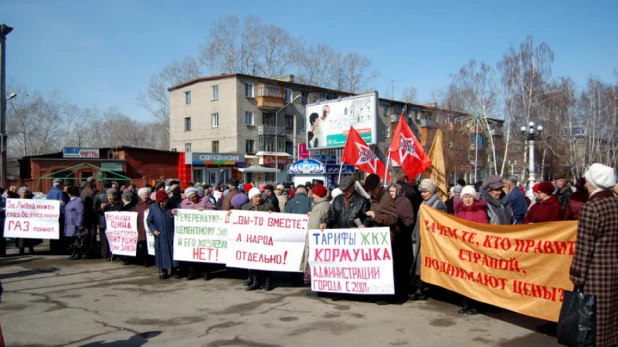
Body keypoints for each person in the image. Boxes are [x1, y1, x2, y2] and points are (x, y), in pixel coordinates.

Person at [569, 163, 618, 347]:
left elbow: (584, 247)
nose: (585, 184)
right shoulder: (615, 202)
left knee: (593, 319)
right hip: (613, 270)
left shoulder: (592, 207)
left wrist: (576, 275)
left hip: (596, 274)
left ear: (593, 182)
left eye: (587, 180)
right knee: (611, 317)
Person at [453, 185, 488, 315]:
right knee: (463, 278)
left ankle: (476, 305)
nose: (467, 199)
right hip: (462, 250)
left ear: (474, 197)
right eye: (465, 196)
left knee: (475, 278)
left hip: (474, 250)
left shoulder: (480, 212)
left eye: (470, 196)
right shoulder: (459, 211)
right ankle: (465, 303)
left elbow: (483, 230)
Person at [410, 179, 447, 301]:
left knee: (427, 264)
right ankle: (419, 289)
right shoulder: (423, 204)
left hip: (431, 241)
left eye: (425, 191)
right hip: (421, 238)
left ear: (431, 191)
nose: (423, 194)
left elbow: (440, 223)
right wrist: (415, 234)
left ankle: (425, 290)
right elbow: (418, 221)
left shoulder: (438, 204)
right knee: (419, 264)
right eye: (422, 192)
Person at [177, 187, 216, 281]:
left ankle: (206, 273)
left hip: (203, 232)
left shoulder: (205, 200)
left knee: (203, 254)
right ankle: (192, 273)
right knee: (191, 254)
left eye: (195, 196)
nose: (194, 198)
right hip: (190, 233)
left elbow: (215, 211)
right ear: (188, 197)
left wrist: (205, 209)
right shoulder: (183, 204)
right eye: (192, 197)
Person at [241, 188, 275, 291]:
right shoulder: (245, 208)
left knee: (266, 261)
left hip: (265, 239)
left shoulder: (268, 206)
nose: (258, 199)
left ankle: (268, 282)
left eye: (259, 196)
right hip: (252, 239)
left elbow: (278, 218)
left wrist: (272, 214)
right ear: (251, 198)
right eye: (256, 197)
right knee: (253, 261)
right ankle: (256, 282)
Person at [387, 184, 415, 304]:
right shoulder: (387, 203)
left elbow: (409, 220)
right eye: (389, 191)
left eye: (393, 191)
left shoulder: (404, 202)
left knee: (401, 267)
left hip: (401, 240)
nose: (391, 193)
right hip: (389, 239)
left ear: (398, 191)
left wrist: (398, 227)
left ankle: (402, 292)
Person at [147, 190, 180, 280]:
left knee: (173, 252)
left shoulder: (172, 206)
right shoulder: (153, 208)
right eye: (161, 201)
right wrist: (154, 231)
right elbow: (149, 221)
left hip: (171, 233)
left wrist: (173, 214)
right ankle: (164, 271)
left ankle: (174, 271)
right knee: (162, 253)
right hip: (160, 234)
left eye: (165, 200)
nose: (163, 203)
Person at [304, 184, 330, 292]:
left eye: (314, 193)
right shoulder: (323, 205)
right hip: (318, 240)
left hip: (315, 241)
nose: (312, 195)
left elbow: (314, 226)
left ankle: (317, 287)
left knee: (315, 264)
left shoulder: (320, 207)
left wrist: (310, 242)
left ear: (318, 194)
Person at [47, 179, 69, 254]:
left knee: (52, 233)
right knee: (59, 233)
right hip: (59, 215)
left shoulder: (49, 193)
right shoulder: (60, 192)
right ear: (59, 184)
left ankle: (52, 249)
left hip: (50, 215)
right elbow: (62, 204)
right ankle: (59, 249)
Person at [100, 188, 123, 260]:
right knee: (109, 240)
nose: (109, 198)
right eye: (108, 196)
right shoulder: (106, 205)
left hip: (117, 226)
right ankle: (110, 255)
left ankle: (118, 255)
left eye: (111, 196)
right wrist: (102, 208)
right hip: (109, 226)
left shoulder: (119, 204)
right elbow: (100, 213)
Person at [64, 185, 86, 260]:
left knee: (76, 240)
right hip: (69, 224)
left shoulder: (78, 200)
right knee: (72, 240)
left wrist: (79, 224)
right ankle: (74, 252)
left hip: (75, 224)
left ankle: (77, 253)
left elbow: (81, 212)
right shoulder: (71, 200)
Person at [134, 187, 154, 267]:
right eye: (143, 195)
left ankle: (152, 259)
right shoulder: (138, 205)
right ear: (140, 196)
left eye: (146, 195)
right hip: (141, 228)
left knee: (151, 245)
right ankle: (146, 261)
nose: (145, 196)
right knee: (143, 245)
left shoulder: (153, 203)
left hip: (150, 228)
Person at [16, 187, 39, 255]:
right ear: (19, 193)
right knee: (20, 237)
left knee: (30, 236)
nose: (24, 194)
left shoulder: (31, 201)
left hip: (29, 221)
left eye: (25, 192)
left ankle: (31, 249)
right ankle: (21, 250)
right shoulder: (16, 202)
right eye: (22, 192)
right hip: (19, 222)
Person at [94, 182, 112, 259]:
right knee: (112, 237)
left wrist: (101, 209)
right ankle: (112, 254)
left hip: (102, 219)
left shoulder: (98, 195)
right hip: (113, 220)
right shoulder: (114, 194)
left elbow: (94, 209)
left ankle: (105, 254)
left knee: (103, 238)